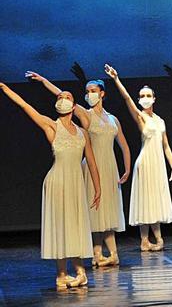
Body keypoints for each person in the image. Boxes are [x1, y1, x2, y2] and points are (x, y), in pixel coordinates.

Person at [0, 83, 101, 290]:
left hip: (75, 183)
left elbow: (91, 161)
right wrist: (5, 88)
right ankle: (62, 273)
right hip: (56, 182)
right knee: (60, 226)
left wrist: (98, 188)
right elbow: (25, 106)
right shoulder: (51, 125)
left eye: (67, 96)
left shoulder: (83, 133)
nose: (63, 98)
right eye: (59, 97)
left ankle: (81, 272)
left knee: (74, 224)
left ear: (74, 106)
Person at [26, 72, 131, 266]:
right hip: (91, 166)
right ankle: (97, 253)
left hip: (109, 166)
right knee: (95, 210)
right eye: (87, 91)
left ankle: (113, 253)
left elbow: (124, 144)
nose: (89, 94)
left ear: (102, 94)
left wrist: (127, 168)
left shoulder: (113, 119)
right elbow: (62, 95)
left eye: (93, 91)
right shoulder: (85, 114)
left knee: (109, 210)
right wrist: (43, 80)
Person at [105, 65, 172, 251]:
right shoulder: (141, 117)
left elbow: (165, 145)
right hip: (145, 162)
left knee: (155, 199)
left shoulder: (160, 120)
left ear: (154, 98)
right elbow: (127, 98)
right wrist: (116, 79)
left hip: (158, 163)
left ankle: (157, 239)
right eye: (142, 96)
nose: (145, 99)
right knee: (146, 198)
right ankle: (145, 240)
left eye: (148, 95)